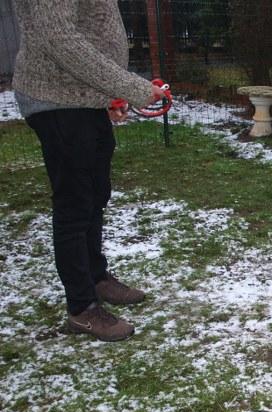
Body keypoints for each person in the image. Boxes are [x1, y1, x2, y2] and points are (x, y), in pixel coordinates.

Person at [12, 0, 166, 341]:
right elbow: (60, 39)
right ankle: (82, 308)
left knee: (95, 195)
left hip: (82, 98)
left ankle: (96, 277)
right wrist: (132, 89)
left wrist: (107, 97)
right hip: (57, 99)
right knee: (75, 204)